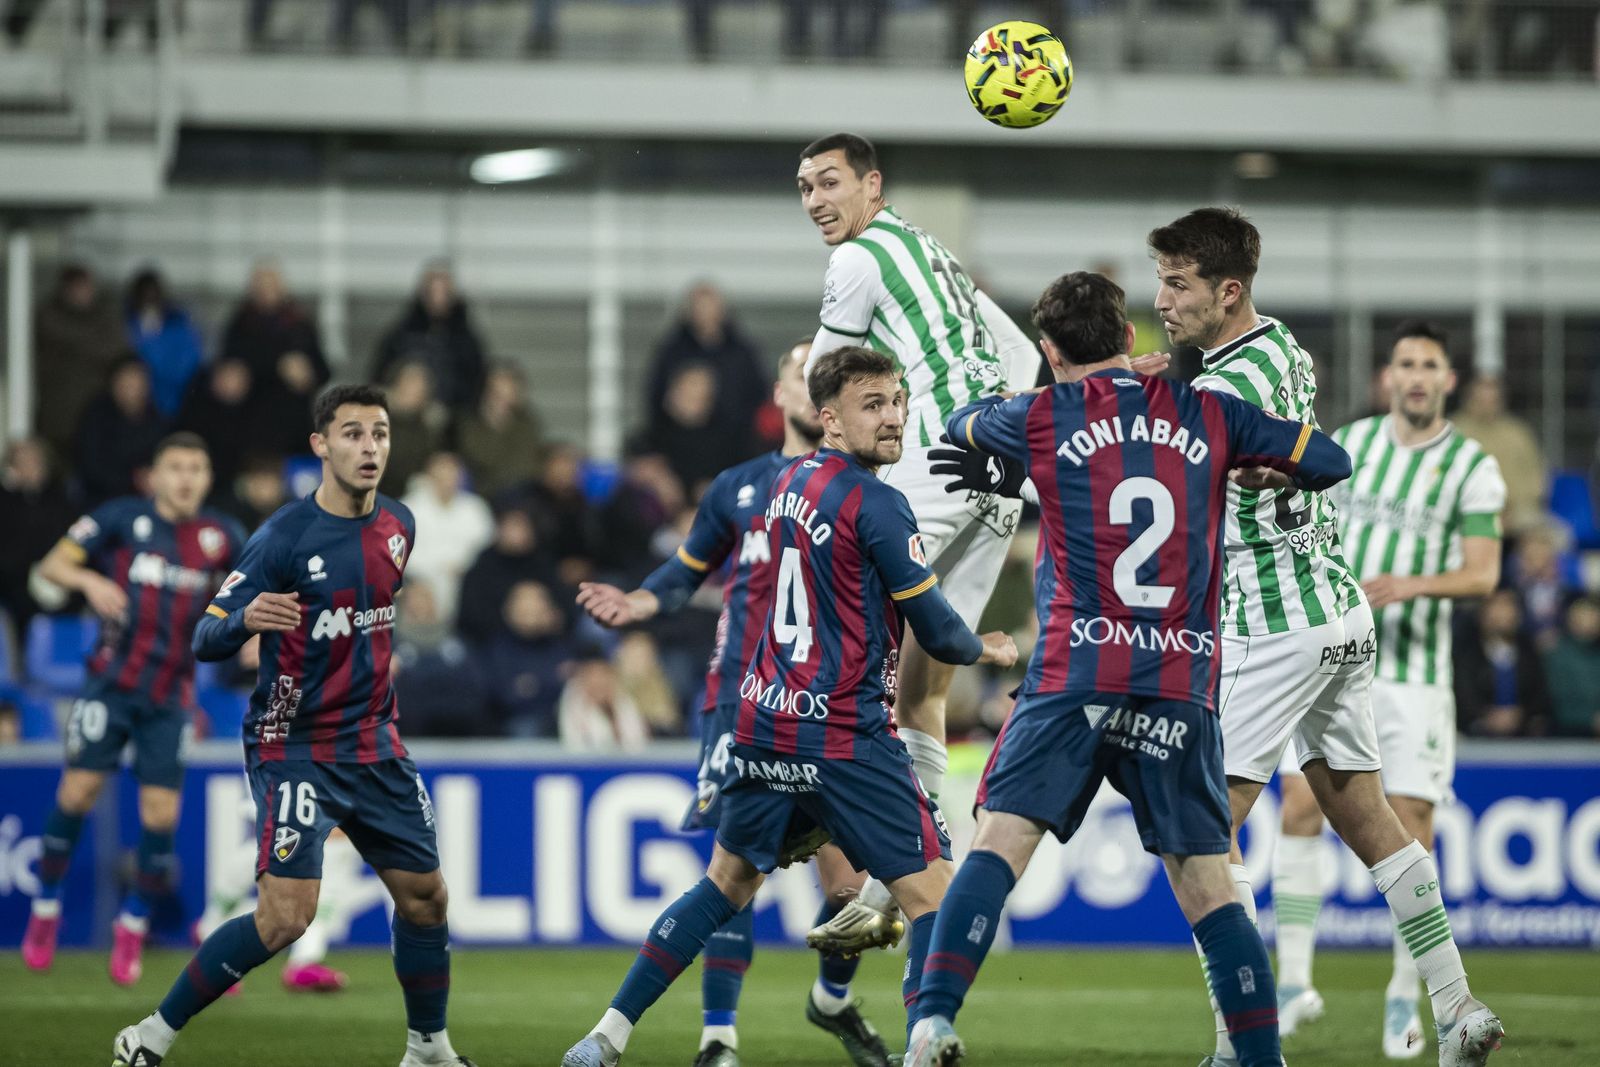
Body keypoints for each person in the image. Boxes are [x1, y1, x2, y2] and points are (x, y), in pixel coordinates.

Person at [905, 269, 1355, 1067]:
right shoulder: (1212, 410)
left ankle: (932, 1022)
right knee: (1210, 883)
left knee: (998, 843)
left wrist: (1003, 435)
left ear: (1048, 350)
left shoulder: (1040, 415)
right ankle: (1261, 1059)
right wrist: (1261, 467)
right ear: (1128, 340)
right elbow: (1329, 457)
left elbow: (959, 423)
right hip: (1180, 680)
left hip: (1077, 670)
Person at [560, 346, 1018, 1067]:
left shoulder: (781, 485)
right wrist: (987, 648)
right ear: (828, 418)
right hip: (839, 732)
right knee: (937, 894)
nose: (894, 416)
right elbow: (937, 629)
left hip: (762, 725)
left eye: (897, 400)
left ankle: (604, 1036)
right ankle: (927, 1035)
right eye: (874, 404)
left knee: (726, 883)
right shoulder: (878, 502)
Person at [1146, 207, 1503, 1067]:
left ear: (1228, 291)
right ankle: (1457, 1006)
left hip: (1272, 625)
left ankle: (1240, 1039)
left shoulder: (1223, 393)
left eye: (1178, 283)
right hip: (1339, 611)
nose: (1161, 298)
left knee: (1192, 832)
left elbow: (1181, 483)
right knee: (1371, 819)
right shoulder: (1282, 347)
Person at [796, 133, 1166, 952]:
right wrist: (1010, 430)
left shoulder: (857, 261)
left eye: (830, 182)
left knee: (840, 648)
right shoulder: (927, 250)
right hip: (992, 474)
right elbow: (1008, 347)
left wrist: (801, 440)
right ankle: (917, 883)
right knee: (918, 692)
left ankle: (858, 849)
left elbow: (825, 385)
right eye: (805, 188)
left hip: (933, 461)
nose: (817, 200)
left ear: (871, 184)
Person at [111, 385, 476, 1067]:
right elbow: (206, 634)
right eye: (353, 434)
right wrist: (246, 618)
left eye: (380, 434)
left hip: (376, 741)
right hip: (296, 745)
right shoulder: (282, 537)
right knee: (285, 916)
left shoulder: (400, 524)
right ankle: (149, 1034)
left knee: (427, 897)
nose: (369, 448)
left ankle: (428, 1049)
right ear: (320, 445)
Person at [1268, 320, 1505, 1056]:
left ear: (1447, 382)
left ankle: (1408, 995)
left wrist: (1409, 584)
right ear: (1388, 376)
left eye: (1429, 364)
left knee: (1409, 826)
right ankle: (1294, 983)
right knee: (1301, 801)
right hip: (1337, 661)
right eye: (1404, 362)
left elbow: (1483, 573)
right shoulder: (1354, 446)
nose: (1415, 375)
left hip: (1415, 677)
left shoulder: (1471, 465)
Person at [22, 433, 245, 985]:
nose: (186, 478)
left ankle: (132, 928)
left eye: (197, 467)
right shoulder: (121, 518)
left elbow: (251, 601)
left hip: (171, 699)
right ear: (155, 475)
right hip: (109, 687)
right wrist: (88, 579)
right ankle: (46, 910)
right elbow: (50, 567)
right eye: (176, 467)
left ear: (209, 477)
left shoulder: (224, 538)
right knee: (77, 794)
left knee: (160, 817)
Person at [218, 261, 330, 453]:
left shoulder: (300, 324)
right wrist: (279, 366)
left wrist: (307, 375)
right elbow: (229, 369)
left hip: (292, 424)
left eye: (271, 285)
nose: (266, 291)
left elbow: (323, 371)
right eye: (260, 285)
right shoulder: (240, 324)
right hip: (249, 425)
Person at [33, 263, 129, 459]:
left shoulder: (107, 313)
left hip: (96, 413)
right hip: (58, 415)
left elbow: (117, 350)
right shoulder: (49, 314)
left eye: (86, 287)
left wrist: (77, 343)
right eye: (77, 288)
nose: (83, 293)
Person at [373, 262, 488, 413]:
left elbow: (476, 383)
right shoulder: (400, 336)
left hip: (453, 419)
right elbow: (379, 378)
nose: (438, 298)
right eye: (432, 291)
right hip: (402, 416)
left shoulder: (467, 341)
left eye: (443, 291)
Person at [1451, 375, 1546, 541]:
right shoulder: (1453, 432)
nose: (1486, 406)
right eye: (1480, 400)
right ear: (1468, 399)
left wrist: (1509, 510)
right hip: (1464, 511)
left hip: (1516, 513)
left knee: (1545, 536)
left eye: (1492, 400)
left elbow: (1537, 480)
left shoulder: (1518, 433)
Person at [0, 437, 77, 638]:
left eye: (37, 461)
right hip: (16, 579)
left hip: (55, 572)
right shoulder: (6, 501)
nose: (33, 467)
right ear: (13, 467)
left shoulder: (60, 499)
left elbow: (70, 541)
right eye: (25, 462)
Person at [75, 356, 168, 506]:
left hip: (146, 500)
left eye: (137, 381)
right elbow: (91, 465)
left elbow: (163, 455)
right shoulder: (96, 415)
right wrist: (132, 480)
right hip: (103, 499)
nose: (132, 387)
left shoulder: (156, 417)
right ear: (113, 384)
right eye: (125, 381)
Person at [124, 268, 205, 421]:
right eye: (144, 295)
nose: (149, 300)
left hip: (177, 402)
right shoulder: (125, 324)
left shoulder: (180, 325)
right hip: (139, 407)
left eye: (153, 294)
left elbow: (187, 365)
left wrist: (151, 342)